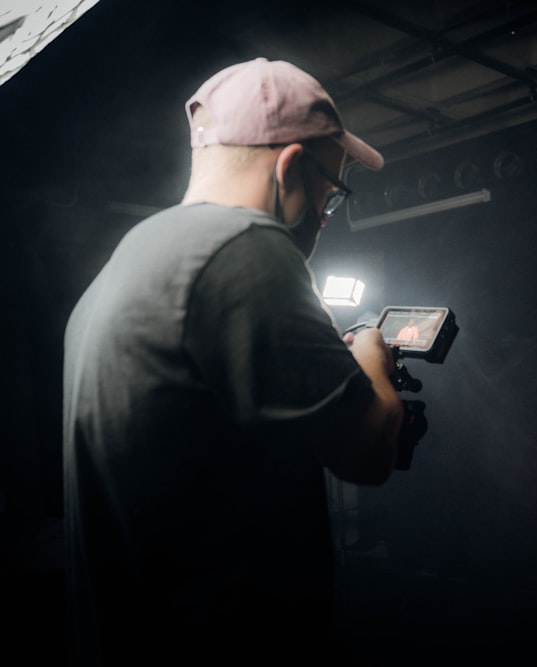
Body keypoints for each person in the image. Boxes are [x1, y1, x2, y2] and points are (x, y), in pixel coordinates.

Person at [63, 58, 407, 666]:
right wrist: (371, 355)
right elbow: (369, 448)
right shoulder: (245, 247)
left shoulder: (130, 259)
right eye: (331, 193)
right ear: (291, 167)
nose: (327, 218)